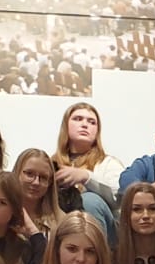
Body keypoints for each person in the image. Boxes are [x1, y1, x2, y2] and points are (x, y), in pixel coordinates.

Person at [51, 100, 122, 240]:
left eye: (92, 122)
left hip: (105, 236)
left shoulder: (108, 163)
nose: (84, 124)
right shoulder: (50, 163)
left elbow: (119, 198)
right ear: (66, 126)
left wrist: (86, 177)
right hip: (61, 231)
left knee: (89, 200)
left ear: (97, 131)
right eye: (78, 119)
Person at [12, 148, 66, 234]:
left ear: (50, 182)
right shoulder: (2, 214)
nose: (36, 182)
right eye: (29, 174)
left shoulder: (62, 222)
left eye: (43, 177)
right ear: (17, 173)